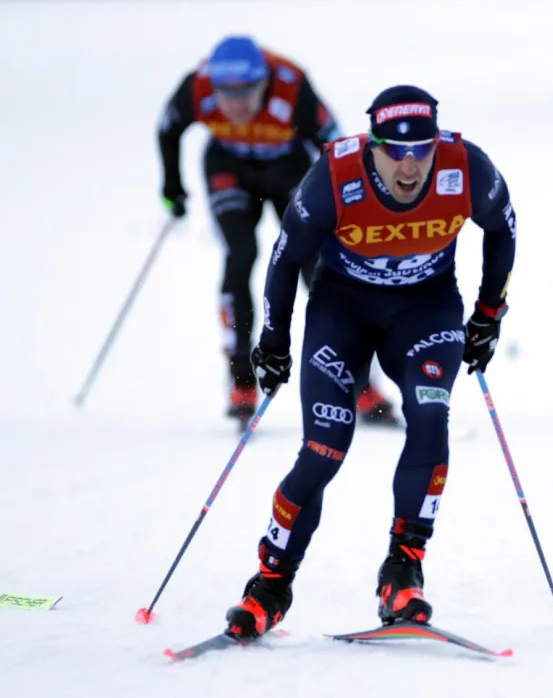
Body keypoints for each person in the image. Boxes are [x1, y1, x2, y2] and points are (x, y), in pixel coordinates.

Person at [222, 85, 517, 638]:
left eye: (422, 151)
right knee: (323, 450)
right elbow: (287, 256)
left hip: (426, 312)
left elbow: (503, 229)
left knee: (430, 420)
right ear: (371, 145)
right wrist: (273, 338)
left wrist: (488, 313)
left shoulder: (465, 166)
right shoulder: (334, 175)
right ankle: (269, 585)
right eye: (395, 152)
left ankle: (403, 570)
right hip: (344, 314)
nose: (410, 167)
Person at [157, 35, 398, 428]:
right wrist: (172, 187)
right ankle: (241, 380)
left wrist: (355, 198)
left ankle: (358, 381)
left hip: (289, 170)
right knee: (241, 258)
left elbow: (336, 144)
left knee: (317, 269)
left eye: (247, 92)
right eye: (226, 93)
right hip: (229, 168)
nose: (235, 103)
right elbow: (168, 130)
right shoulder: (196, 87)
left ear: (266, 82)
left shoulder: (292, 86)